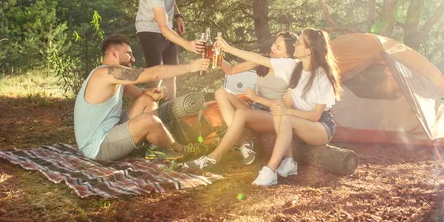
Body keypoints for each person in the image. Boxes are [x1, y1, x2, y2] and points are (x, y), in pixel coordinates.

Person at [200, 28, 341, 187]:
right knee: (281, 111)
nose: (296, 44)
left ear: (309, 50)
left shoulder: (323, 77)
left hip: (320, 127)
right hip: (296, 119)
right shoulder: (293, 66)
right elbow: (257, 58)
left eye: (299, 43)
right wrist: (228, 49)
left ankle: (270, 170)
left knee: (284, 115)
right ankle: (289, 162)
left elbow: (315, 116)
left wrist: (285, 111)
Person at [74, 35, 210, 161]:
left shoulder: (113, 77)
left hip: (111, 131)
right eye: (128, 54)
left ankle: (155, 146)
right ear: (114, 53)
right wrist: (191, 67)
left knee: (147, 100)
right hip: (98, 147)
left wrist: (155, 92)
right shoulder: (105, 73)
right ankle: (181, 150)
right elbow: (154, 74)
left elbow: (143, 94)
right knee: (149, 120)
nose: (133, 59)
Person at [187, 32, 298, 168]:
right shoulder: (263, 59)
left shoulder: (291, 68)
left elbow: (286, 106)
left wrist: (257, 98)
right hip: (256, 111)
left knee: (241, 113)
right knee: (221, 92)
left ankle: (214, 157)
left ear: (287, 55)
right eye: (274, 43)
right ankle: (244, 143)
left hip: (275, 116)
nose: (273, 48)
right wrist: (213, 54)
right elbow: (231, 70)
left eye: (278, 47)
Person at [135, 0, 204, 100]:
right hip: (149, 28)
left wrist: (178, 16)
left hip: (167, 27)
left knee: (172, 73)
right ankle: (149, 112)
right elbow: (163, 27)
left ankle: (170, 111)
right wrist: (187, 44)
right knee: (156, 76)